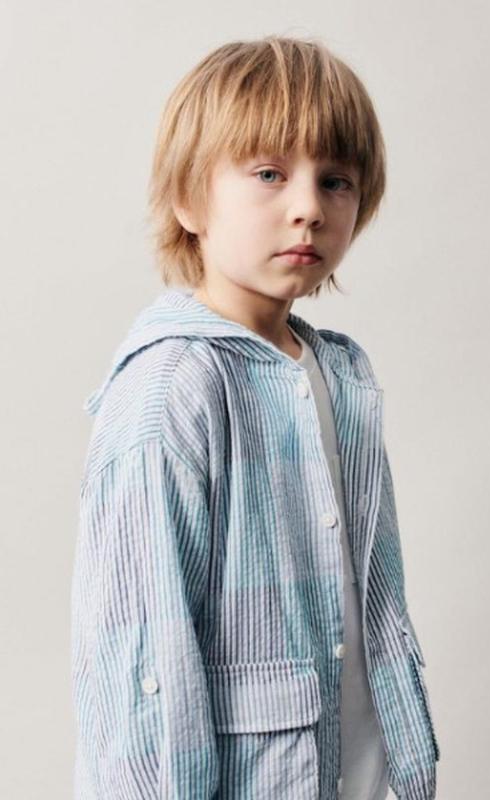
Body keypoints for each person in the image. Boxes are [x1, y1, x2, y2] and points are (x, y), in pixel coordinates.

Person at [70, 35, 440, 800]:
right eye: (268, 174)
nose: (308, 208)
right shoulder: (173, 389)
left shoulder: (340, 376)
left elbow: (372, 610)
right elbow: (140, 667)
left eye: (334, 180)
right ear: (187, 199)